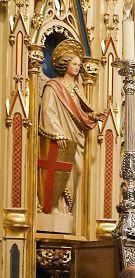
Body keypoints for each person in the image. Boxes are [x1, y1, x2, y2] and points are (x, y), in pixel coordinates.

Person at [38, 39, 103, 216]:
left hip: (76, 136)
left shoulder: (77, 88)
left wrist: (93, 117)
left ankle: (67, 208)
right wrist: (57, 133)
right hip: (61, 137)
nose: (77, 67)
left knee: (78, 170)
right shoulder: (53, 86)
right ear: (65, 64)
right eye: (74, 63)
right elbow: (48, 111)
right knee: (59, 170)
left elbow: (80, 113)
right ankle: (54, 207)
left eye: (79, 64)